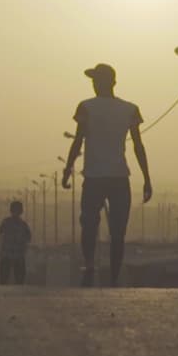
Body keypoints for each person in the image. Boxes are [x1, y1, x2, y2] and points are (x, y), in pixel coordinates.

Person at [61, 63, 152, 288]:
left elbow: (78, 140)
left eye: (96, 79)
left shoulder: (86, 107)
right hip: (118, 178)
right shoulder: (129, 109)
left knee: (90, 224)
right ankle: (108, 274)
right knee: (116, 231)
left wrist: (67, 169)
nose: (93, 84)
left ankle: (92, 267)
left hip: (95, 177)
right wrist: (147, 178)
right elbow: (138, 146)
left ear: (108, 81)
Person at [0, 200, 31, 285]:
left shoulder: (6, 222)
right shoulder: (23, 224)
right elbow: (28, 238)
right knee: (16, 280)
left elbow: (0, 232)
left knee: (6, 279)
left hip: (11, 254)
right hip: (15, 254)